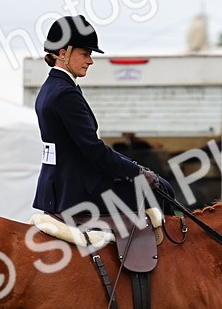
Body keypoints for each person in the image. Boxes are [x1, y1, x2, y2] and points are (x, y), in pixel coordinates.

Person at [33, 14, 170, 222]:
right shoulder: (65, 93)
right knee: (161, 189)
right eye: (85, 53)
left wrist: (135, 167)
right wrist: (137, 172)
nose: (90, 61)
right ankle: (149, 255)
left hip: (56, 187)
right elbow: (93, 149)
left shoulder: (50, 88)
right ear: (63, 53)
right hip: (76, 191)